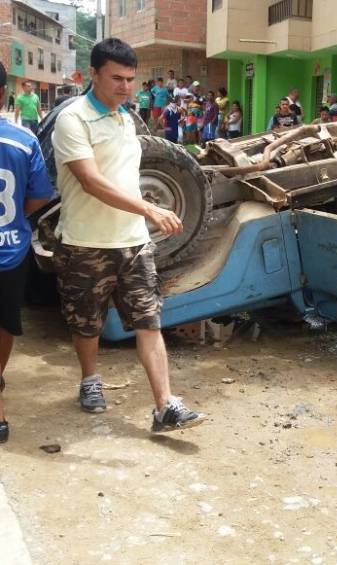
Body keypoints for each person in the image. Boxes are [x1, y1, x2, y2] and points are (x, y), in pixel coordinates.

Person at [51, 37, 203, 432]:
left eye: (130, 80)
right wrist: (151, 208)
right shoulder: (74, 120)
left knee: (149, 321)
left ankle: (165, 406)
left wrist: (143, 215)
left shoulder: (126, 118)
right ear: (93, 74)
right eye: (117, 78)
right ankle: (89, 379)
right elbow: (91, 182)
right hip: (86, 242)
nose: (125, 87)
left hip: (134, 244)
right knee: (87, 323)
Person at [0, 61, 55, 443]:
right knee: (4, 324)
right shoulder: (24, 141)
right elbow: (39, 195)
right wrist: (18, 213)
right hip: (10, 250)